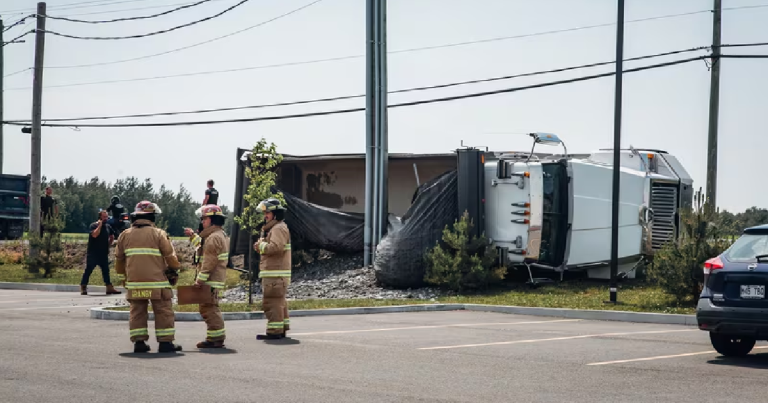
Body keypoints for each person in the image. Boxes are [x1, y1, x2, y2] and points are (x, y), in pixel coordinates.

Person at [114, 201, 182, 354]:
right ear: (152, 216)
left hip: (135, 284)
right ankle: (165, 343)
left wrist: (124, 278)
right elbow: (170, 257)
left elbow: (119, 260)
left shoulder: (125, 235)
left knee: (137, 311)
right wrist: (176, 268)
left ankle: (139, 343)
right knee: (163, 310)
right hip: (157, 283)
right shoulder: (158, 234)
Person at [184, 205, 229, 349]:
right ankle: (214, 337)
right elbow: (203, 250)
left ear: (212, 220)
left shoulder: (213, 237)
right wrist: (193, 236)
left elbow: (209, 262)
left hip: (210, 280)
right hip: (214, 279)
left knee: (209, 308)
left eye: (204, 219)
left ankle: (215, 339)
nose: (202, 221)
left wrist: (200, 280)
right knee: (209, 307)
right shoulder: (216, 235)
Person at [254, 198, 292, 340]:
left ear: (275, 214)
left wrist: (261, 246)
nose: (265, 215)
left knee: (271, 302)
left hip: (275, 274)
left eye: (268, 212)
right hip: (276, 274)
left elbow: (276, 248)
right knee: (278, 302)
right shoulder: (278, 228)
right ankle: (280, 328)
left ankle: (275, 331)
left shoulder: (278, 228)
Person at [80, 210, 121, 296]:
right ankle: (83, 286)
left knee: (106, 271)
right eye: (104, 217)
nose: (106, 218)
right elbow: (95, 235)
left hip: (103, 253)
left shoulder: (108, 227)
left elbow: (111, 236)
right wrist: (99, 225)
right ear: (100, 217)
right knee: (88, 270)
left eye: (107, 217)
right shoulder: (93, 225)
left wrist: (109, 244)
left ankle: (109, 287)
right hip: (93, 253)